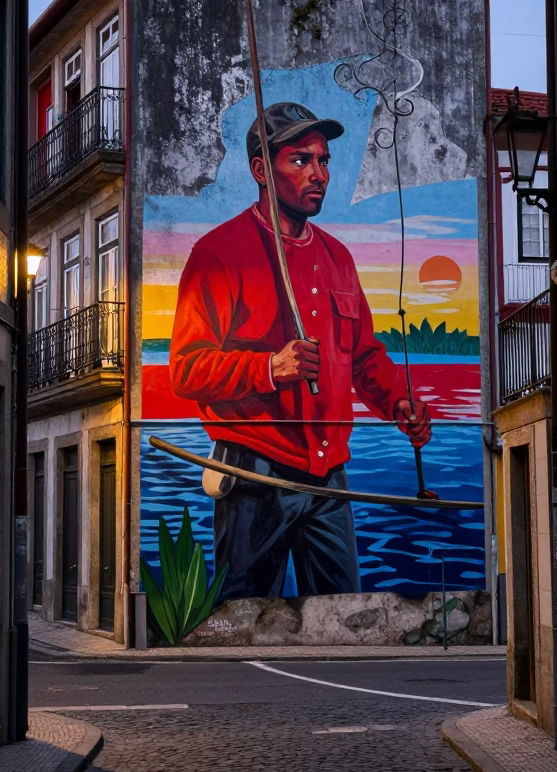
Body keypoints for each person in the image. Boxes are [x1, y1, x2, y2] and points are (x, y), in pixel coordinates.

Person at [169, 101, 432, 600]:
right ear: (260, 171)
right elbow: (185, 370)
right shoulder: (217, 254)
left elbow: (364, 356)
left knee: (345, 622)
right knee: (243, 628)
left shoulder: (338, 257)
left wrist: (399, 403)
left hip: (330, 479)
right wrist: (270, 368)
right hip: (252, 477)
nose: (319, 174)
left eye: (324, 161)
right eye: (301, 161)